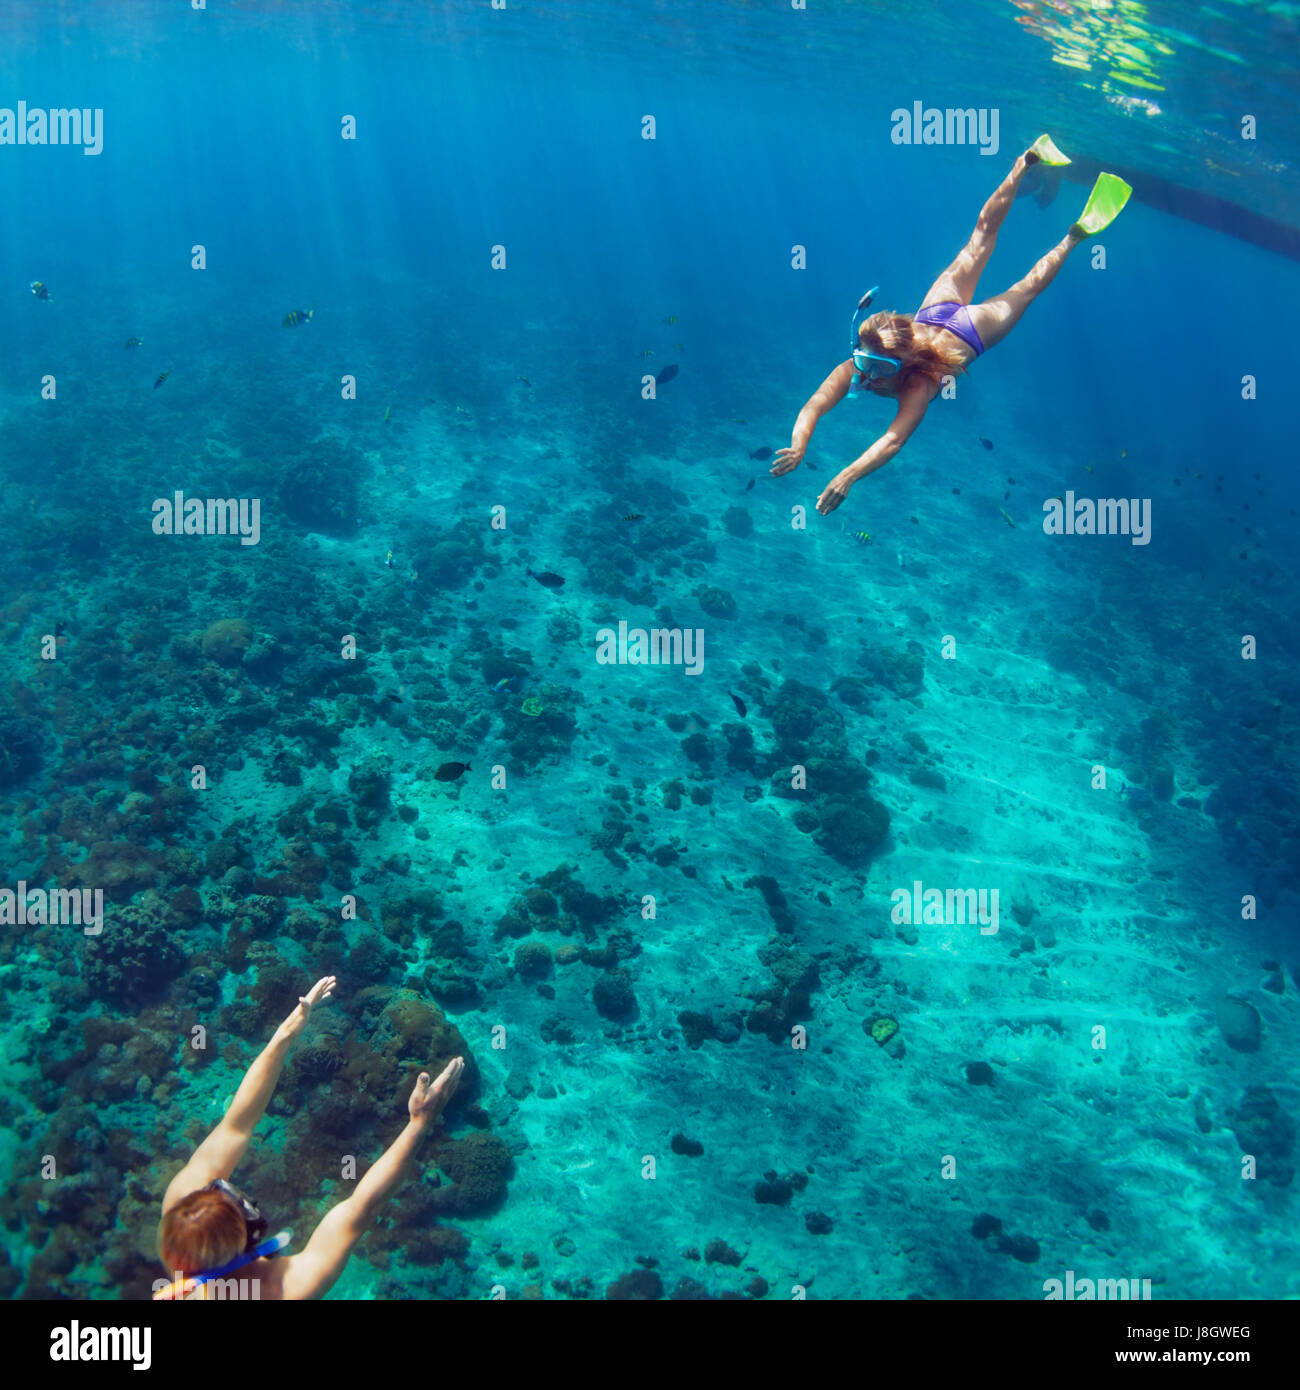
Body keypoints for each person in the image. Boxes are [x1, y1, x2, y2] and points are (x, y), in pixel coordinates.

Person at [770, 135, 1131, 515]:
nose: (870, 376)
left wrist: (848, 476)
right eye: (865, 362)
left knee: (1025, 288)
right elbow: (815, 404)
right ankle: (1027, 161)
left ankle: (1074, 232)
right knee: (980, 240)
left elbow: (893, 439)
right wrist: (799, 444)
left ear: (905, 361)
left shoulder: (918, 385)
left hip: (972, 329)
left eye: (881, 368)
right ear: (859, 350)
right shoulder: (857, 367)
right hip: (934, 311)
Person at [153, 975, 465, 1299]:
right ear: (248, 1236)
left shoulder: (181, 1209)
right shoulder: (285, 1290)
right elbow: (359, 1210)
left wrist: (285, 1034)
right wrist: (420, 1123)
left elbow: (236, 1124)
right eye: (244, 1209)